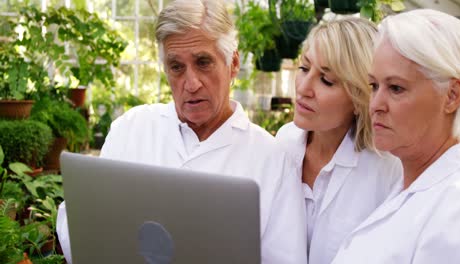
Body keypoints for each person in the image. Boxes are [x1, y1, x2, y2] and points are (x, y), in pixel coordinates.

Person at [56, 0, 307, 263]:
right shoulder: (131, 128)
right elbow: (81, 224)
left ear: (233, 63)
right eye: (177, 67)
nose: (191, 84)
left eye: (203, 62)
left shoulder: (272, 159)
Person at [331, 9, 460, 263]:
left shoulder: (459, 208)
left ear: (452, 95)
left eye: (396, 88)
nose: (376, 105)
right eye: (374, 86)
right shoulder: (412, 181)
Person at [275, 17, 403, 264]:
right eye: (304, 68)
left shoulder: (388, 169)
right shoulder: (284, 142)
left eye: (326, 80)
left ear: (360, 98)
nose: (304, 88)